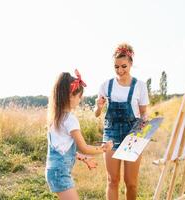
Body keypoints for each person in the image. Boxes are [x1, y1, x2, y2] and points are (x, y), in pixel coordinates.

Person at [45, 69, 113, 200]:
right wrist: (104, 149)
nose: (80, 100)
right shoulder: (70, 119)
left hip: (53, 171)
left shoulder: (56, 118)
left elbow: (61, 149)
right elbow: (84, 147)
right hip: (60, 173)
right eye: (79, 97)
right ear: (70, 96)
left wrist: (84, 158)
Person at [94, 43, 149, 200]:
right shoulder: (106, 85)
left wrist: (145, 123)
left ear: (131, 63)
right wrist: (98, 107)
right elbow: (97, 114)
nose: (120, 70)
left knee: (131, 182)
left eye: (124, 66)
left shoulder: (140, 86)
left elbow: (144, 113)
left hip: (134, 133)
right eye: (116, 67)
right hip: (111, 133)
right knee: (113, 180)